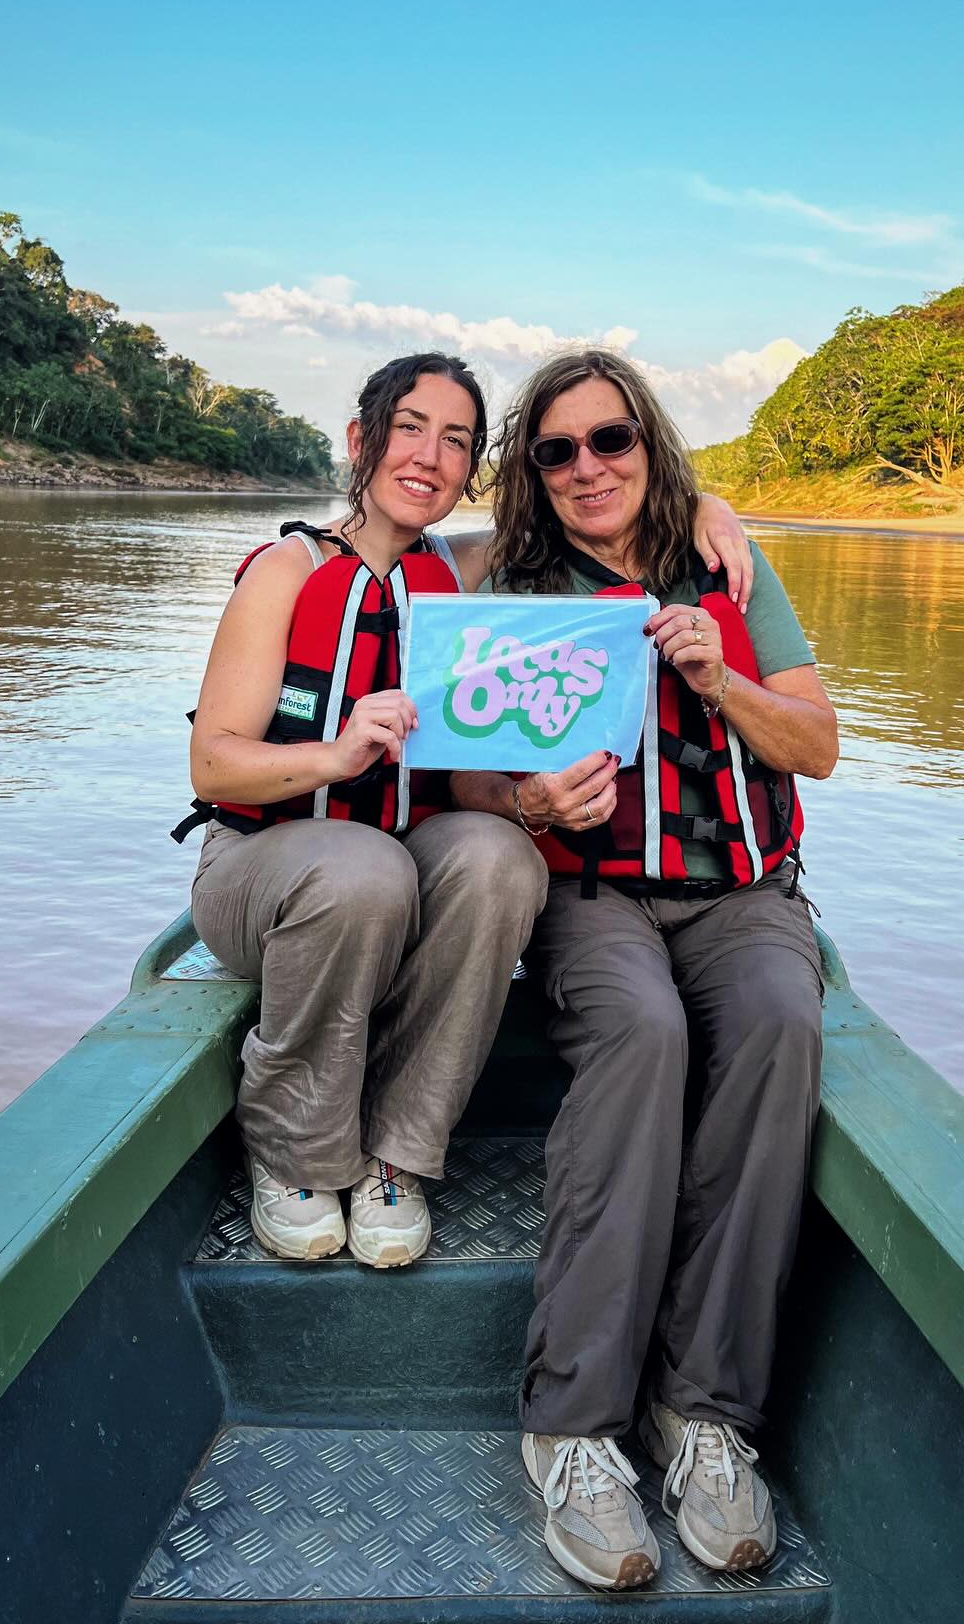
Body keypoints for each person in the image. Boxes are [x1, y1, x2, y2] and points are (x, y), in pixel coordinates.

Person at [179, 349, 756, 1273]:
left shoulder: (462, 567)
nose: (429, 457)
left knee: (501, 855)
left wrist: (701, 505)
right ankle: (293, 1147)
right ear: (361, 439)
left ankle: (398, 1156)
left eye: (456, 441)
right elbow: (214, 762)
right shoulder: (286, 571)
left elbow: (592, 508)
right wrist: (336, 754)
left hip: (395, 882)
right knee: (364, 868)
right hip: (263, 878)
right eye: (409, 429)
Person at [451, 349, 839, 1591]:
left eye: (609, 440)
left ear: (648, 443)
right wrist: (524, 799)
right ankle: (571, 1425)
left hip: (740, 894)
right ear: (532, 472)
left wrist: (720, 682)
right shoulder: (505, 586)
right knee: (643, 1034)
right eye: (555, 451)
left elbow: (817, 745)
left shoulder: (733, 568)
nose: (587, 468)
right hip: (595, 896)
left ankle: (703, 1411)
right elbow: (454, 759)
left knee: (781, 1022)